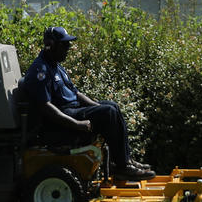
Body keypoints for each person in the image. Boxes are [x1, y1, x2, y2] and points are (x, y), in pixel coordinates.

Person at [21, 26, 155, 181]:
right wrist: (77, 124)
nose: (68, 48)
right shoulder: (40, 70)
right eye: (64, 45)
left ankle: (124, 161)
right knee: (108, 112)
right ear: (50, 45)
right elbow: (45, 107)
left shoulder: (57, 66)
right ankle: (122, 167)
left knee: (112, 107)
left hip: (72, 110)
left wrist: (96, 107)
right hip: (58, 122)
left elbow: (77, 94)